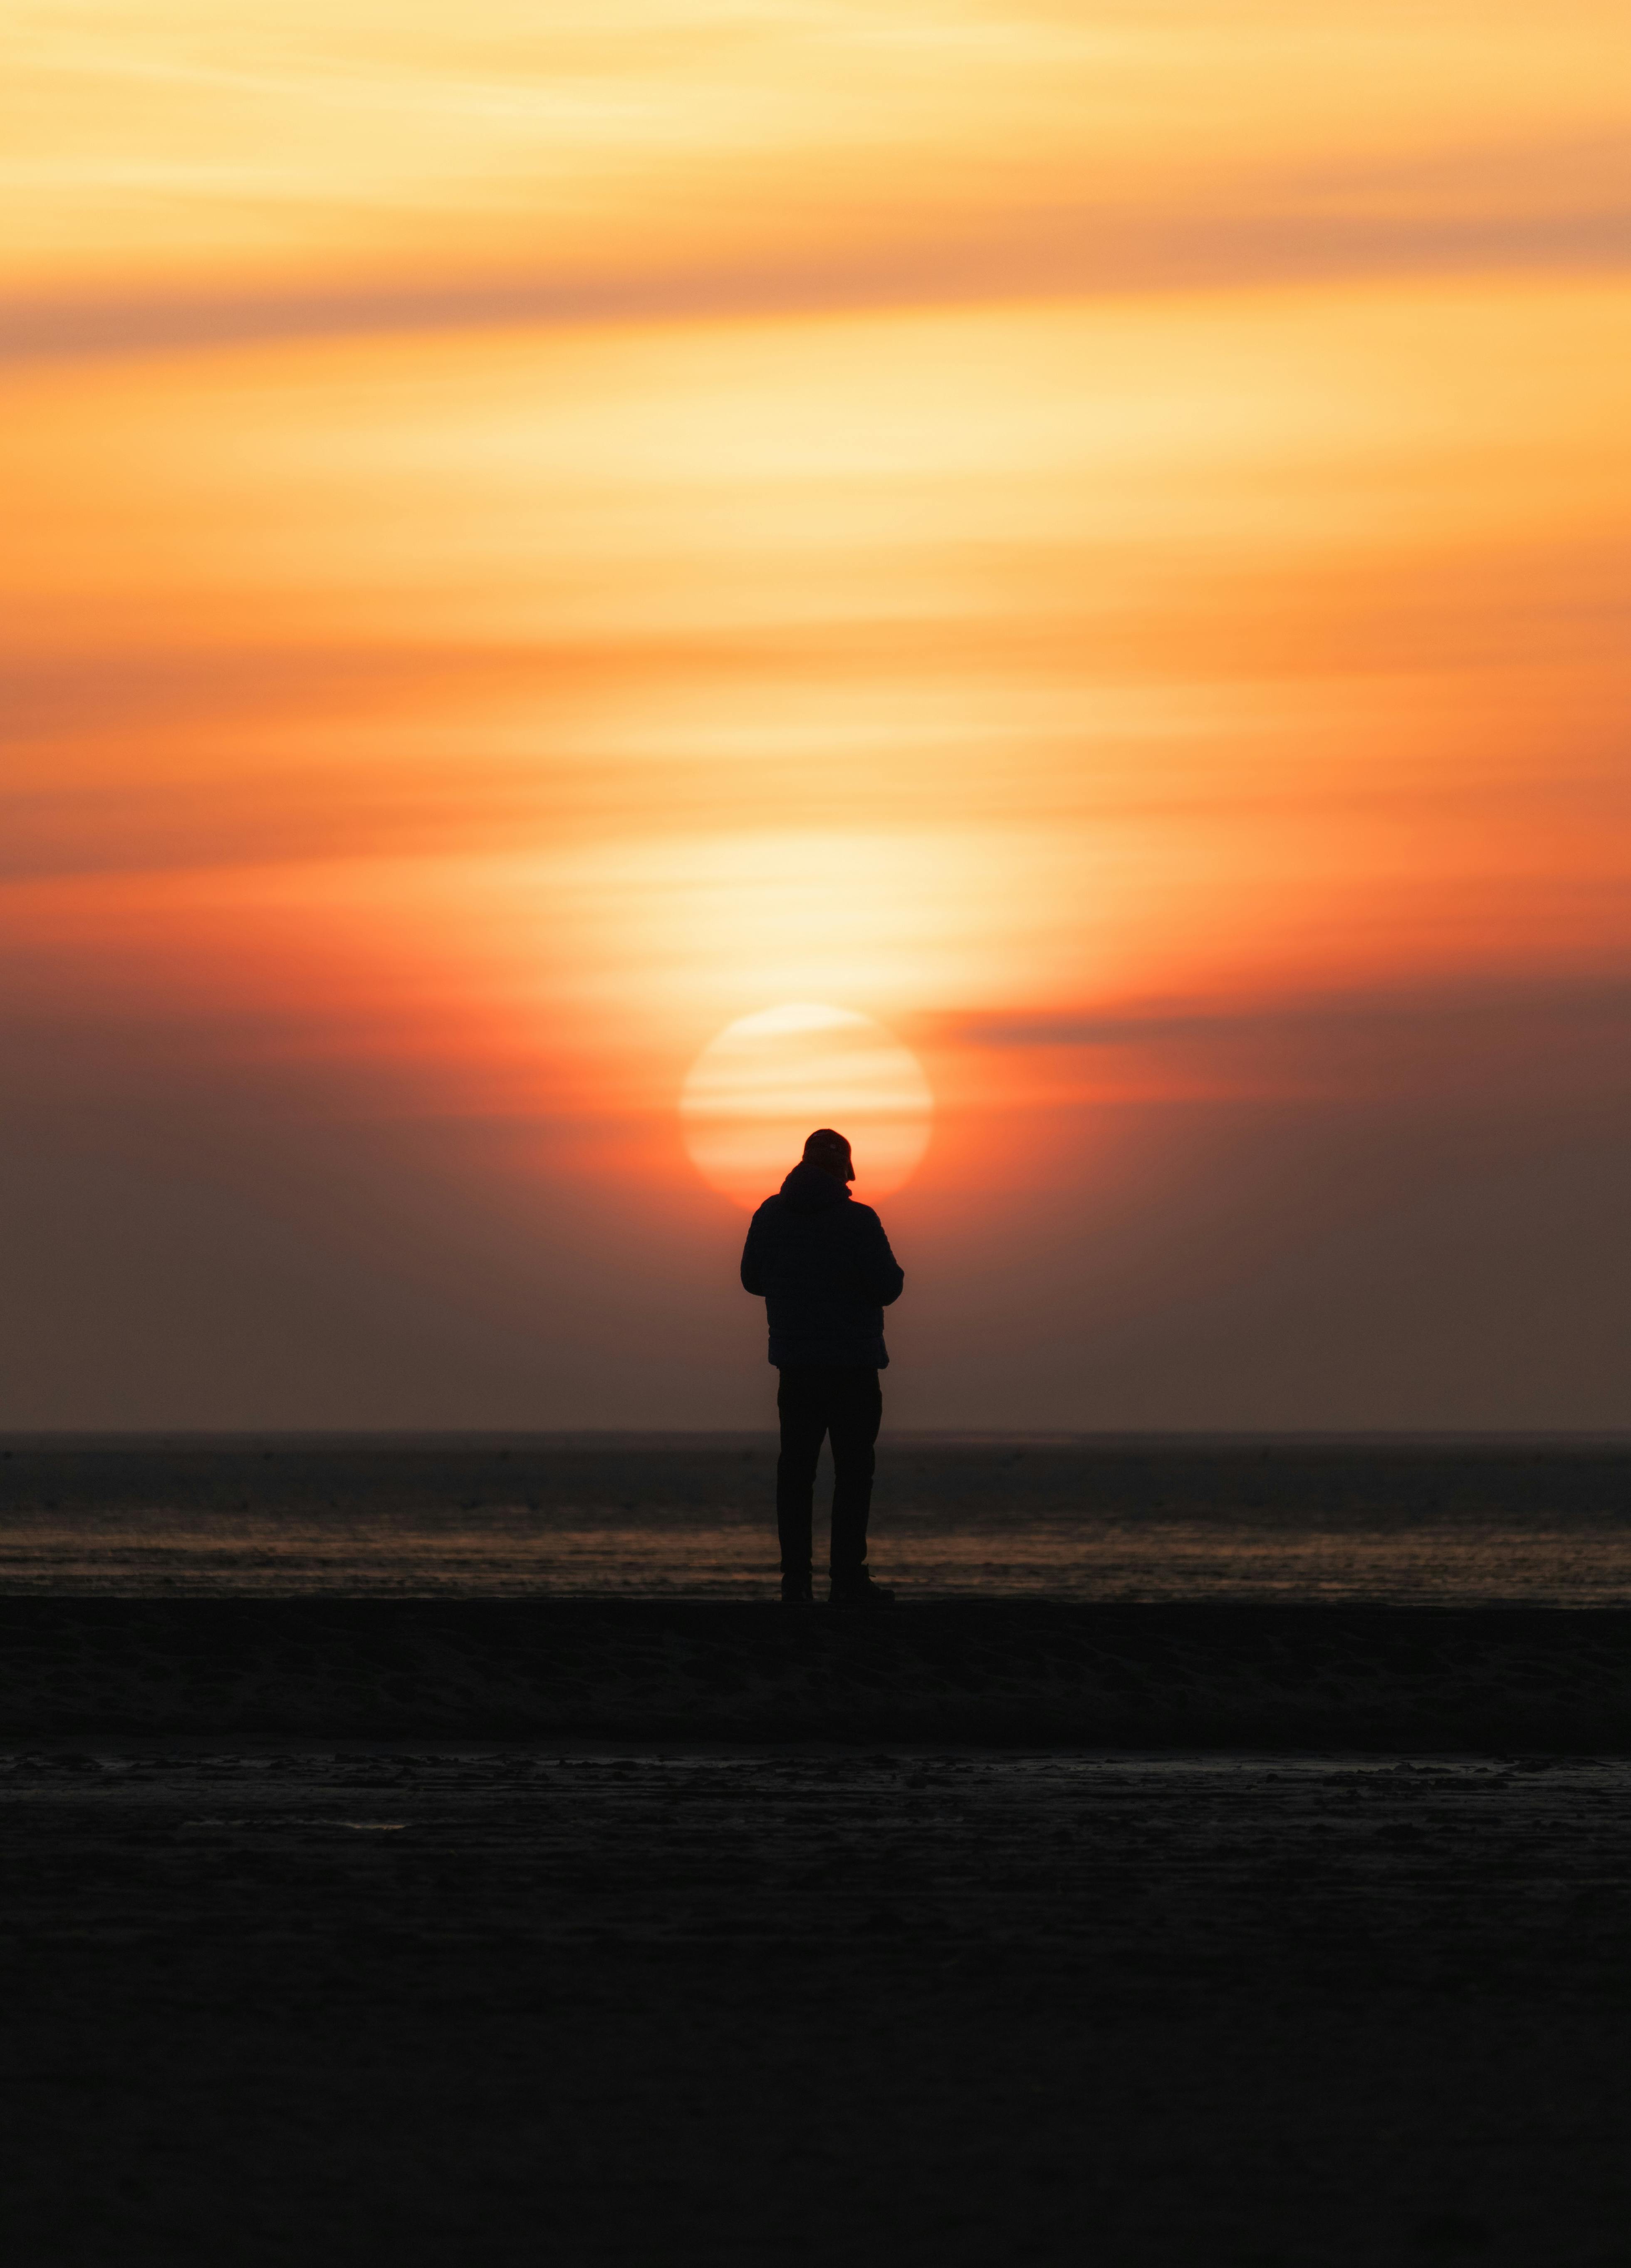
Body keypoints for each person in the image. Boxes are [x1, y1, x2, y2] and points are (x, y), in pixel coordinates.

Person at [740, 1127, 905, 1607]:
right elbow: (888, 1288)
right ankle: (848, 1580)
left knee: (796, 1473)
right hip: (853, 1366)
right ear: (842, 1172)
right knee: (854, 1474)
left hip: (796, 1366)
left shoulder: (770, 1215)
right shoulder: (859, 1221)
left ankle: (796, 1583)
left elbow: (752, 1280)